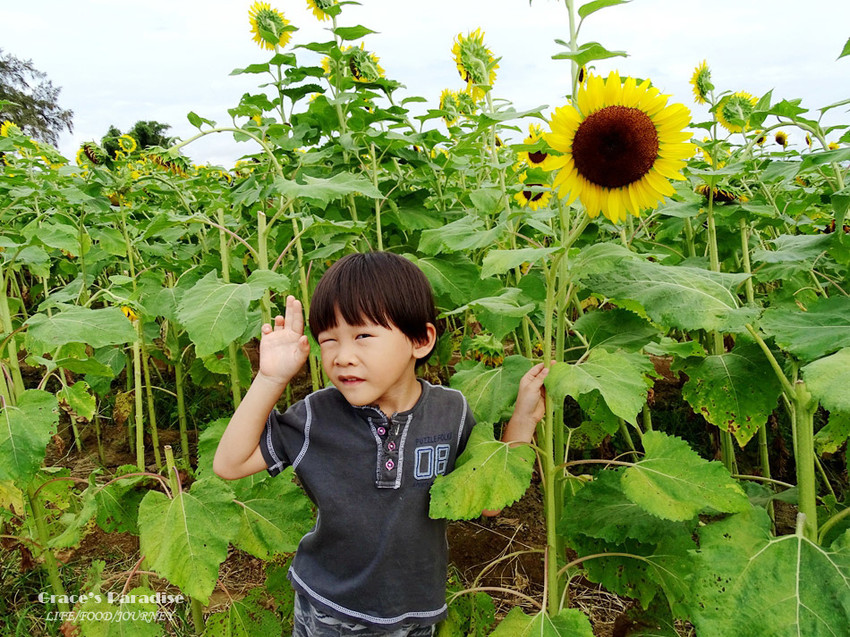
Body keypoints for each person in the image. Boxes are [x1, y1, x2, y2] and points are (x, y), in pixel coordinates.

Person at [213, 251, 548, 636]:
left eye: (363, 336)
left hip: (416, 612)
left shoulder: (450, 411)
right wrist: (271, 379)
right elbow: (230, 464)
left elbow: (489, 501)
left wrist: (523, 421)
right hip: (330, 608)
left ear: (420, 341)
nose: (343, 357)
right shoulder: (317, 416)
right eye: (329, 341)